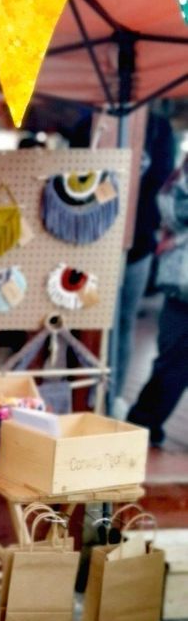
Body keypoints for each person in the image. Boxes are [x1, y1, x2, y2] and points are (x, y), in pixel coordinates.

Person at [128, 154, 188, 447]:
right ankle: (142, 423)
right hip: (181, 281)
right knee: (173, 359)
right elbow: (171, 207)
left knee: (173, 359)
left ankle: (143, 422)